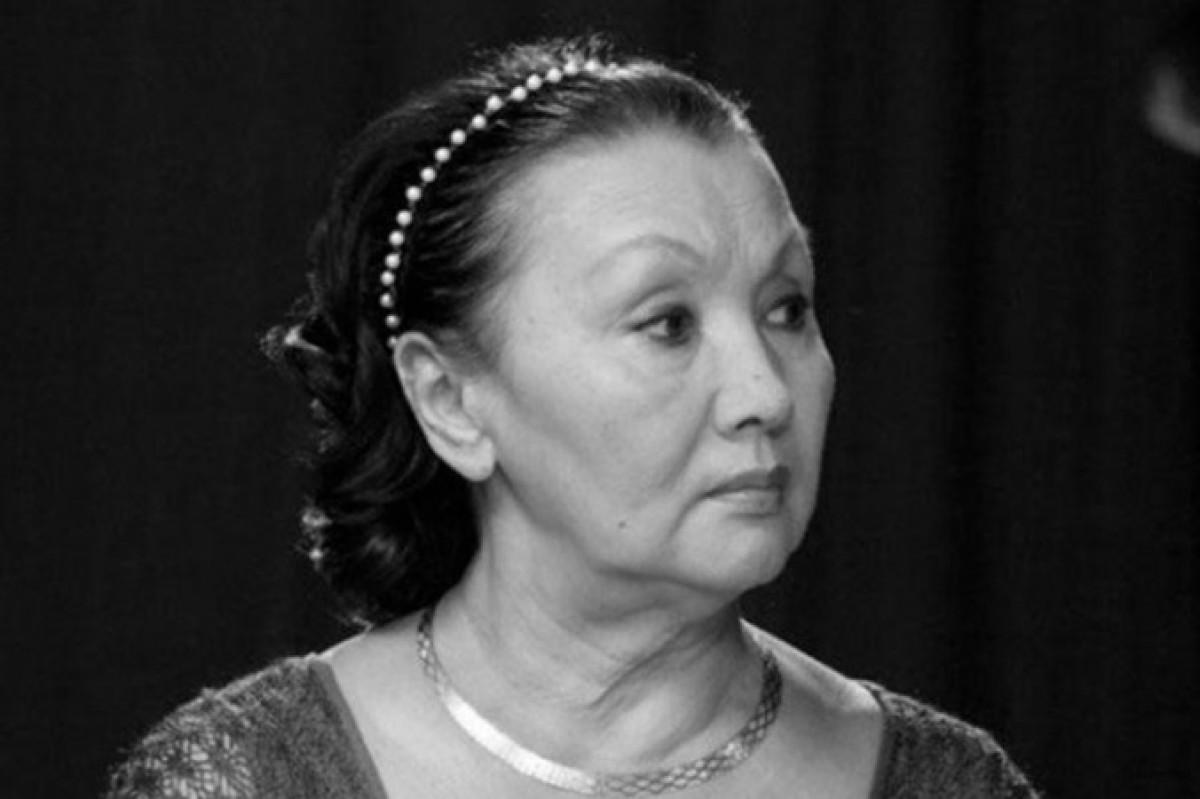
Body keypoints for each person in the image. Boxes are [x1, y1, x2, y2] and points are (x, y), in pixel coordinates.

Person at [107, 36, 1040, 798]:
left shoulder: (943, 783)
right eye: (667, 323)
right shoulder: (246, 779)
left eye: (786, 308)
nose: (766, 392)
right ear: (450, 400)